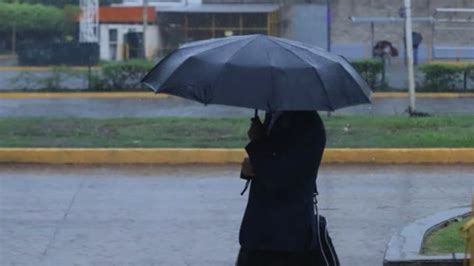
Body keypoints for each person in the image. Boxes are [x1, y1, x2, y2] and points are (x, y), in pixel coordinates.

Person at [236, 111, 338, 266]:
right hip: (260, 233)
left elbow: (282, 176)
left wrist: (257, 143)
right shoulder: (275, 116)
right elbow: (271, 159)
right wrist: (248, 168)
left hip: (285, 238)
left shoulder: (307, 123)